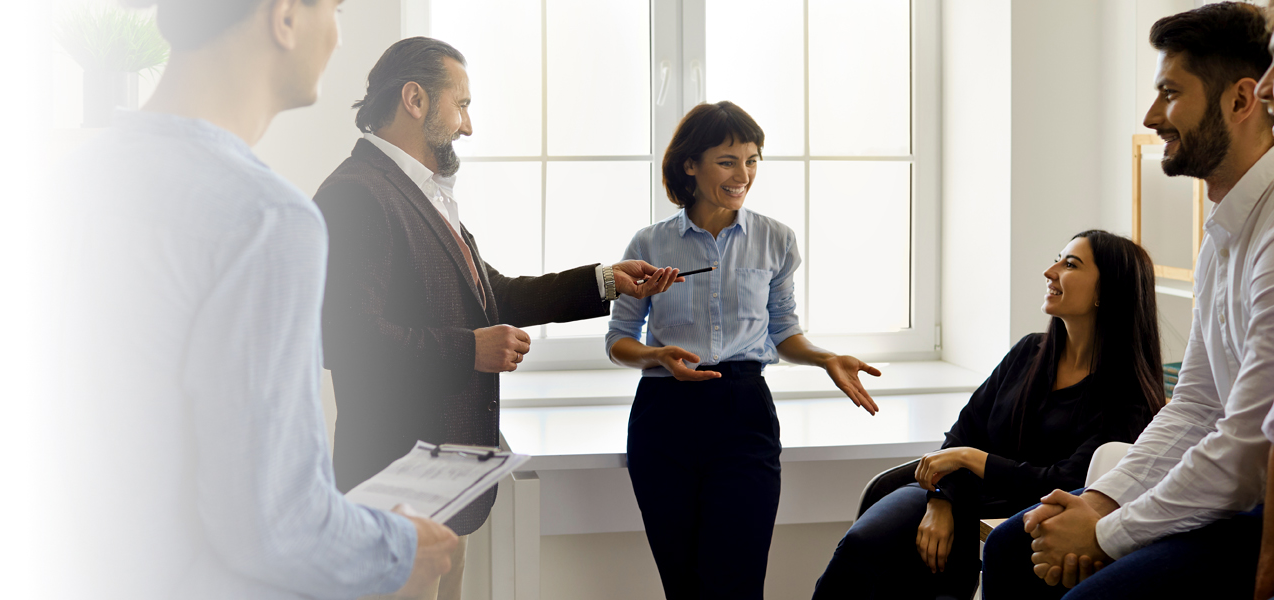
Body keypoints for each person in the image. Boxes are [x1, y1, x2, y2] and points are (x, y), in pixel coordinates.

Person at [47, 2, 458, 599]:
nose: (339, 39)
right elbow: (276, 525)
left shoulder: (68, 181)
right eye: (334, 10)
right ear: (285, 17)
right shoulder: (266, 219)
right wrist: (402, 549)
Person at [312, 37, 681, 600]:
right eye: (460, 105)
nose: (467, 126)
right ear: (415, 99)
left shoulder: (423, 194)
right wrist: (471, 349)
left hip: (442, 491)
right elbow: (347, 341)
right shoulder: (356, 195)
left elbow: (493, 295)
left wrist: (606, 281)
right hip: (392, 494)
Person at [983, 4, 1274, 599]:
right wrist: (1097, 500)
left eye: (1170, 93)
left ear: (1241, 101)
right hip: (1223, 490)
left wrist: (1107, 533)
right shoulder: (1222, 233)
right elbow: (1195, 405)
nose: (1151, 116)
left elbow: (1246, 449)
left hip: (1258, 513)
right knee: (1014, 544)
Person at [604, 101, 881, 600]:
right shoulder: (650, 242)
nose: (743, 174)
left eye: (752, 160)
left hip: (743, 412)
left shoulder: (776, 239)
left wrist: (824, 359)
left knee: (737, 581)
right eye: (728, 160)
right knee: (683, 584)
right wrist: (656, 356)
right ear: (690, 164)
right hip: (665, 415)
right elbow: (618, 339)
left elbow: (782, 331)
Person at [812, 231, 1163, 600]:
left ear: (1105, 292)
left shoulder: (1129, 395)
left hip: (1027, 521)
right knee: (861, 547)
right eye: (1057, 258)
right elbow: (964, 433)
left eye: (1070, 264)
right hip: (958, 493)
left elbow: (1065, 481)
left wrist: (972, 459)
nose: (1050, 271)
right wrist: (941, 500)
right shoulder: (1029, 351)